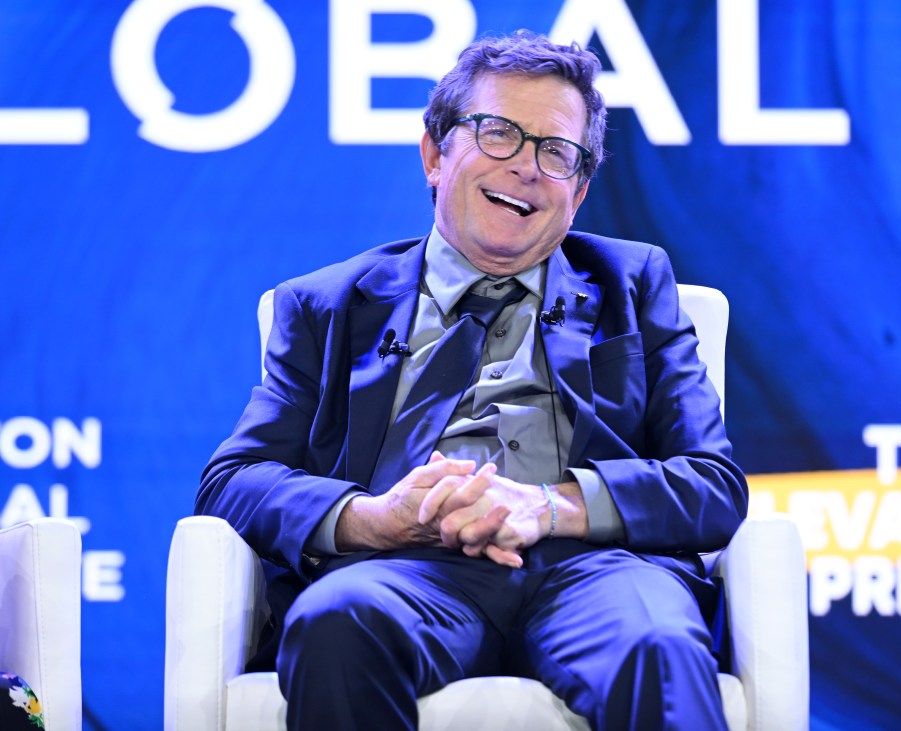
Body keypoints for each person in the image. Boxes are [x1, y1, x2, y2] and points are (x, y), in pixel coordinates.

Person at [197, 30, 747, 731]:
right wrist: (374, 518)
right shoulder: (326, 304)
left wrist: (551, 507)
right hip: (409, 568)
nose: (525, 167)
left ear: (577, 192)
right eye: (497, 133)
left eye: (556, 152)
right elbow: (233, 479)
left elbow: (712, 482)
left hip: (601, 568)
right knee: (336, 621)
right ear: (435, 153)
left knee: (659, 645)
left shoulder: (634, 284)